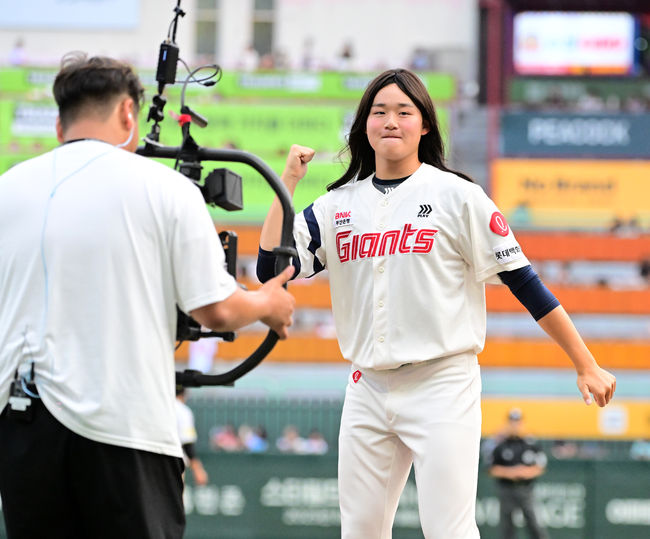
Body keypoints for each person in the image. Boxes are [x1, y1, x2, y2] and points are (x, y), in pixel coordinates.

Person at [256, 68, 617, 538]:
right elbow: (269, 270)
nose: (390, 120)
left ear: (424, 124)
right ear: (363, 123)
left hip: (442, 381)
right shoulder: (336, 206)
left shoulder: (459, 196)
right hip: (367, 385)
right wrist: (287, 179)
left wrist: (585, 363)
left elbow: (525, 283)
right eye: (379, 111)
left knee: (449, 530)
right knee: (360, 530)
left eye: (404, 112)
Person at [0, 52, 295, 539]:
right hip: (124, 428)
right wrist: (269, 303)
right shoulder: (165, 187)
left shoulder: (8, 188)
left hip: (22, 429)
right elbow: (215, 307)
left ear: (59, 124)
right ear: (126, 115)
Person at [489, 409, 549, 539]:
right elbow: (492, 467)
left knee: (534, 523)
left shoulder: (530, 443)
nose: (514, 425)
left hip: (525, 489)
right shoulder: (501, 445)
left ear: (522, 423)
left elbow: (541, 465)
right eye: (512, 421)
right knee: (507, 526)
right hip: (507, 488)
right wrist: (511, 472)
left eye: (517, 421)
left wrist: (524, 472)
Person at [175, 387, 208, 486]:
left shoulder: (158, 407)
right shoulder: (182, 410)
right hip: (173, 463)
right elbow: (187, 443)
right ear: (184, 393)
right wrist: (198, 469)